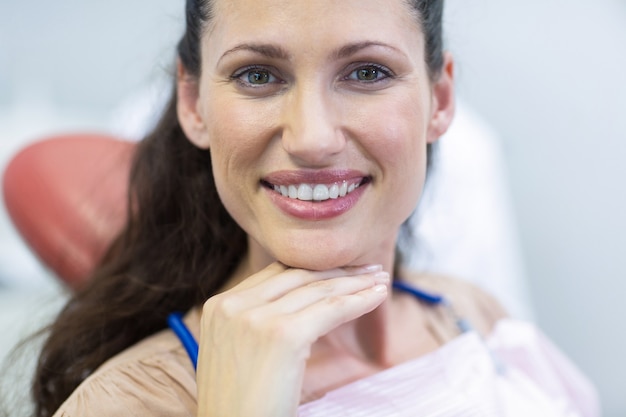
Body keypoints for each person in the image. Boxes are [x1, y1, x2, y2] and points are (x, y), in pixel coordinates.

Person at [31, 0, 599, 416]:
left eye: (367, 72)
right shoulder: (130, 402)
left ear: (440, 100)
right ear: (192, 102)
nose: (312, 137)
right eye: (258, 75)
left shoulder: (471, 314)